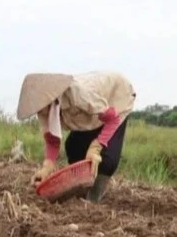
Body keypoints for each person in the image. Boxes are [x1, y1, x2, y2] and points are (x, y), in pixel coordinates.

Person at [16, 71, 136, 203]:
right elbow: (52, 139)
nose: (40, 112)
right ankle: (80, 188)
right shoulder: (43, 109)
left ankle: (93, 198)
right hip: (92, 116)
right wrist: (47, 166)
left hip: (115, 98)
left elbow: (112, 119)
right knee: (74, 146)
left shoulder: (77, 94)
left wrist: (96, 147)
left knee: (107, 158)